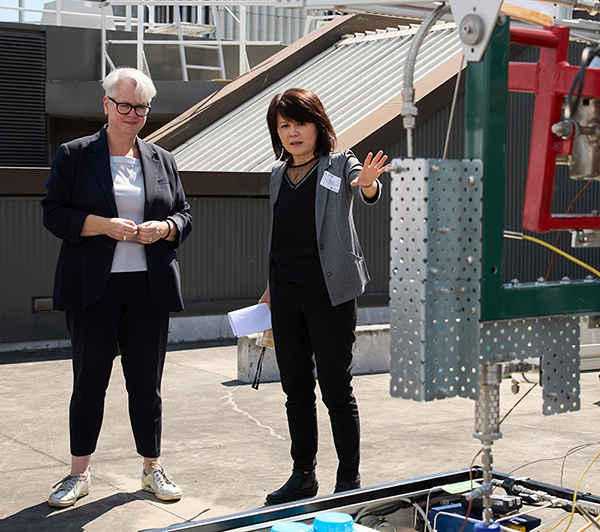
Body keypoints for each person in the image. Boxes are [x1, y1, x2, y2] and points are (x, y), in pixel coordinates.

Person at [42, 67, 192, 508]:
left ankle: (152, 468)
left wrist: (164, 228)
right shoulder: (74, 154)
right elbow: (53, 212)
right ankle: (77, 474)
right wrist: (101, 226)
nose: (132, 113)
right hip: (94, 290)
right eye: (124, 104)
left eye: (141, 107)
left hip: (149, 289)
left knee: (147, 384)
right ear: (106, 104)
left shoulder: (162, 159)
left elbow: (184, 214)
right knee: (89, 382)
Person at [259, 87, 390, 505]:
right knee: (295, 390)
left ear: (318, 125)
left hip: (330, 292)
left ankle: (348, 481)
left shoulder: (339, 162)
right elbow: (281, 237)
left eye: (301, 123)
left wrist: (369, 185)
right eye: (285, 125)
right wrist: (268, 289)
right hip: (285, 295)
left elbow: (364, 189)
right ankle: (303, 475)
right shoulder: (279, 175)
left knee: (336, 387)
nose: (293, 133)